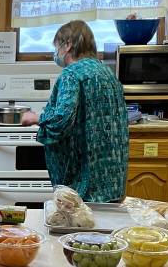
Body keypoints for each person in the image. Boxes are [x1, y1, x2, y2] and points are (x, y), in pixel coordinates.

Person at [20, 20, 128, 202]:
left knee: (81, 229)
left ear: (68, 45)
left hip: (84, 184)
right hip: (113, 180)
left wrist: (36, 117)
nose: (56, 54)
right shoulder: (107, 73)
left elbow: (62, 119)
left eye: (57, 47)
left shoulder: (71, 75)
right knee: (105, 227)